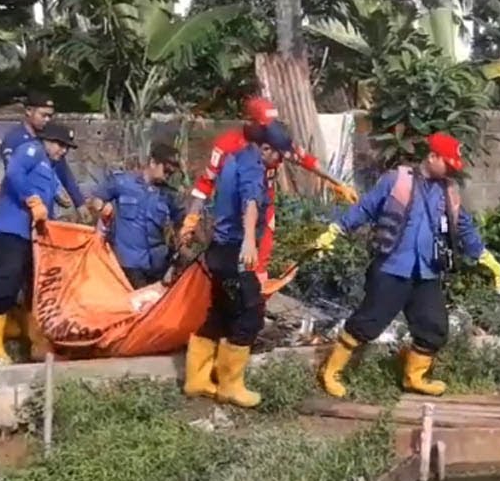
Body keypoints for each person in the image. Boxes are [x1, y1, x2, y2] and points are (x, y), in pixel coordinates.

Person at [311, 133, 500, 398]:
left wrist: (484, 256)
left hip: (426, 272)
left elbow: (463, 226)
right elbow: (365, 208)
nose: (450, 171)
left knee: (433, 327)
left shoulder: (448, 191)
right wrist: (335, 230)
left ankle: (413, 377)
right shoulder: (397, 180)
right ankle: (330, 371)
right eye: (447, 164)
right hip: (392, 268)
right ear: (433, 157)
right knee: (368, 322)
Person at [180, 96, 359, 281]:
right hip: (233, 213)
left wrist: (338, 183)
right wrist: (191, 219)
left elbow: (306, 160)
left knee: (259, 263)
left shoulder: (275, 141)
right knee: (227, 262)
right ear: (249, 121)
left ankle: (257, 287)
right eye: (265, 126)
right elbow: (205, 184)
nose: (270, 130)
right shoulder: (227, 146)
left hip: (264, 212)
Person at [181, 120, 293, 408]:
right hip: (235, 252)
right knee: (250, 314)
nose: (280, 162)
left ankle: (196, 379)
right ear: (265, 148)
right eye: (279, 155)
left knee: (220, 313)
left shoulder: (232, 159)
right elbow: (251, 203)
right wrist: (249, 241)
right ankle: (230, 385)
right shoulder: (253, 167)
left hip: (219, 250)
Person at [0, 119, 78, 365]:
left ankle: (34, 342)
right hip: (11, 230)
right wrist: (32, 199)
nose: (63, 151)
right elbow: (14, 172)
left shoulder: (49, 165)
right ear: (47, 140)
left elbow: (58, 190)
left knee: (34, 289)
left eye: (66, 147)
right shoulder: (31, 150)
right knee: (4, 283)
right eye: (60, 145)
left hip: (33, 238)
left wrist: (62, 197)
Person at [87, 143, 184, 288]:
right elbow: (95, 199)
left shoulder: (169, 196)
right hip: (128, 265)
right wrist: (102, 208)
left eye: (171, 173)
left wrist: (179, 250)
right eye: (166, 170)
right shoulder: (123, 182)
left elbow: (182, 223)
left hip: (158, 266)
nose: (168, 175)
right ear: (153, 163)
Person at [0, 92, 84, 211]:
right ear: (29, 111)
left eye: (50, 116)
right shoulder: (15, 139)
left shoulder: (50, 140)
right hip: (20, 206)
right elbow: (14, 173)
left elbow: (63, 172)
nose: (47, 120)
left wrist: (79, 203)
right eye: (43, 115)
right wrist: (34, 200)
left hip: (44, 208)